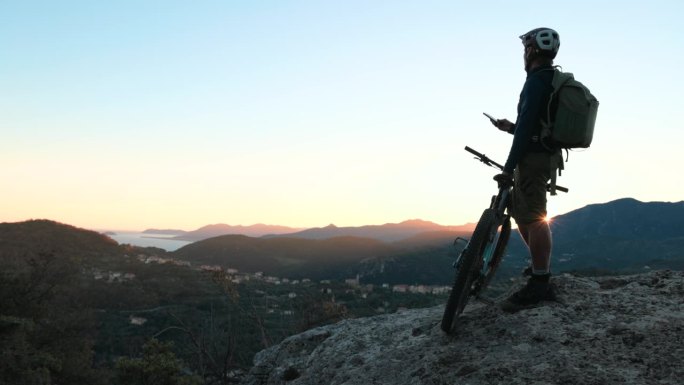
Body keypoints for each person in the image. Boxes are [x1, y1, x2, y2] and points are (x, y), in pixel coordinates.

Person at [491, 28, 563, 312]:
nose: (524, 54)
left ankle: (540, 283)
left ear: (531, 50)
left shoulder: (535, 82)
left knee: (534, 217)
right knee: (525, 213)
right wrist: (511, 127)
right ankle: (538, 269)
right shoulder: (550, 80)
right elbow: (532, 125)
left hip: (532, 158)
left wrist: (508, 167)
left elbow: (527, 133)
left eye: (525, 49)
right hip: (541, 153)